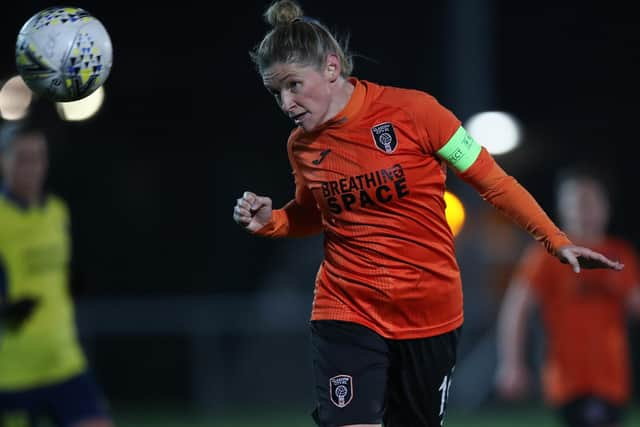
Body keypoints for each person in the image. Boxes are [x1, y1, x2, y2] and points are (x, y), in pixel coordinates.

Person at [232, 1, 624, 425]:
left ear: (330, 69)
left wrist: (556, 239)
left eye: (293, 85)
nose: (286, 102)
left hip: (429, 314)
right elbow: (314, 214)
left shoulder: (416, 113)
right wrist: (272, 222)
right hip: (347, 308)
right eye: (276, 92)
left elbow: (494, 182)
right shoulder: (302, 146)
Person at [495, 166, 640, 427]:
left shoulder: (621, 254)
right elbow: (516, 308)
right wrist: (512, 364)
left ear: (606, 206)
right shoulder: (548, 256)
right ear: (564, 208)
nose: (585, 211)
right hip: (569, 380)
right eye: (577, 203)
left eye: (591, 202)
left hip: (614, 379)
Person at [0, 120, 115, 427]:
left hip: (65, 362)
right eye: (22, 158)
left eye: (38, 157)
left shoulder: (56, 212)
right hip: (13, 371)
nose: (31, 167)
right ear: (4, 161)